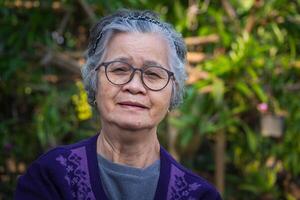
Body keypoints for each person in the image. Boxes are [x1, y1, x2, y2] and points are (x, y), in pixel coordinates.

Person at [15, 9, 221, 200]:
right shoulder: (50, 177)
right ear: (94, 81)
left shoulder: (199, 195)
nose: (134, 86)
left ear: (172, 91)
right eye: (119, 69)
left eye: (152, 74)